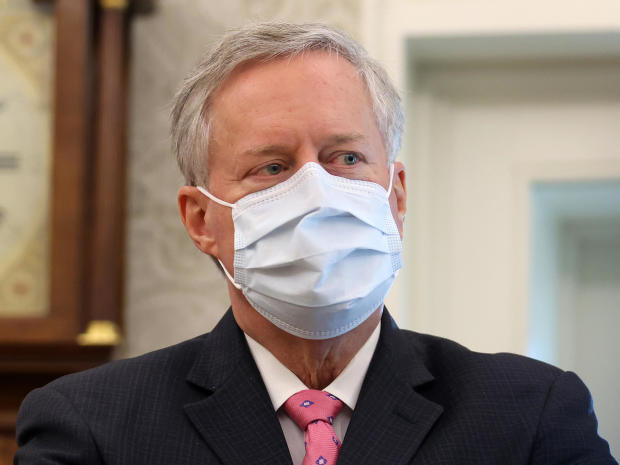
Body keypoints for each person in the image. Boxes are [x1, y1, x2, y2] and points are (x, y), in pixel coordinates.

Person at [15, 22, 616, 465]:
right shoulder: (90, 427)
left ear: (396, 197)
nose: (317, 192)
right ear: (201, 219)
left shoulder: (529, 415)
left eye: (346, 158)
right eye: (272, 168)